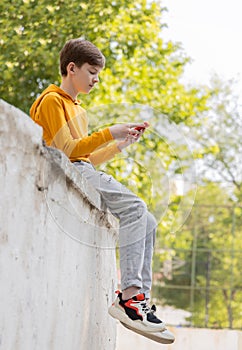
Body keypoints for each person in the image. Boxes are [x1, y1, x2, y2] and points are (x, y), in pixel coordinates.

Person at [30, 38, 169, 335]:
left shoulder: (77, 109)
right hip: (65, 172)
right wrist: (109, 131)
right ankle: (129, 299)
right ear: (72, 68)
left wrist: (120, 143)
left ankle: (140, 299)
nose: (96, 80)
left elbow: (87, 156)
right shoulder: (52, 100)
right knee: (136, 208)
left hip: (83, 169)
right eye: (92, 72)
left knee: (147, 220)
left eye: (98, 74)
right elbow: (67, 152)